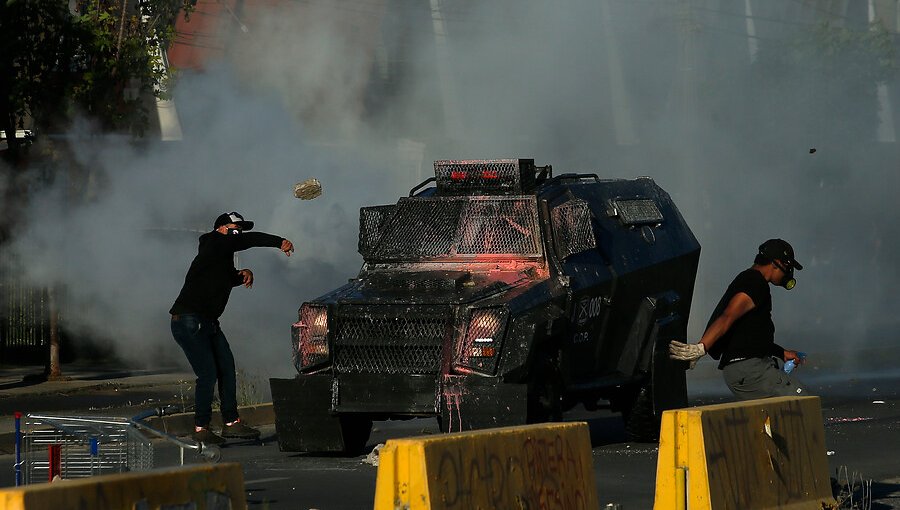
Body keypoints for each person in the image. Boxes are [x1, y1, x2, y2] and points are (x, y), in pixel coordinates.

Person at [170, 212, 294, 444]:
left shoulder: (221, 256)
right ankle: (201, 428)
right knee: (208, 374)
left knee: (226, 368)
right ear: (222, 229)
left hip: (207, 322)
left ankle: (231, 423)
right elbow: (249, 240)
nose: (239, 233)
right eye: (235, 228)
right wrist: (279, 242)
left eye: (240, 229)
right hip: (189, 320)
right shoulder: (213, 242)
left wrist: (243, 275)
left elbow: (224, 278)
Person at [669, 238, 810, 400]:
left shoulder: (750, 280)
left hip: (748, 368)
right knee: (802, 402)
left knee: (773, 416)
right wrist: (701, 348)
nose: (788, 273)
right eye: (788, 267)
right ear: (776, 263)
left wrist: (781, 352)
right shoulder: (755, 283)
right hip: (750, 369)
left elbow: (749, 334)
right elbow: (728, 316)